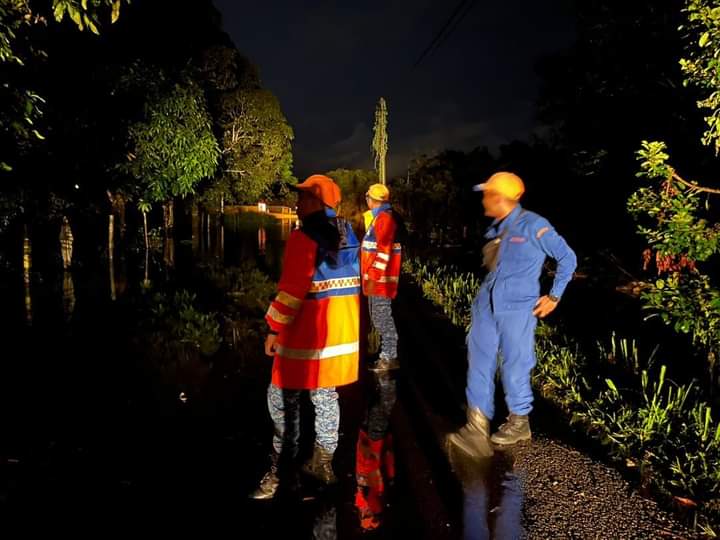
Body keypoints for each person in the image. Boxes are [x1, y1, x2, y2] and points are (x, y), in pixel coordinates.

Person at [449, 172, 577, 454]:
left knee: (515, 362)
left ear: (499, 197)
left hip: (518, 306)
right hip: (487, 304)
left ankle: (519, 422)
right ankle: (476, 425)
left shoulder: (534, 225)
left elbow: (568, 258)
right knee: (479, 360)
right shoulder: (497, 227)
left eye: (487, 193)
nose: (483, 198)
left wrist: (554, 296)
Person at [251, 174, 361, 500]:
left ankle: (281, 471)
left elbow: (291, 293)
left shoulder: (303, 237)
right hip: (339, 337)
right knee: (326, 398)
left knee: (282, 398)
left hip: (306, 338)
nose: (297, 204)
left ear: (316, 201)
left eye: (302, 198)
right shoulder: (349, 234)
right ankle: (323, 465)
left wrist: (273, 329)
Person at [361, 184, 403, 372]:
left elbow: (384, 252)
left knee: (382, 318)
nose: (366, 200)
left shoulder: (384, 218)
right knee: (378, 317)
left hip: (380, 281)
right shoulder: (380, 217)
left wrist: (373, 275)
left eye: (367, 197)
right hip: (377, 279)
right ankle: (385, 354)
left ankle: (389, 357)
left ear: (372, 199)